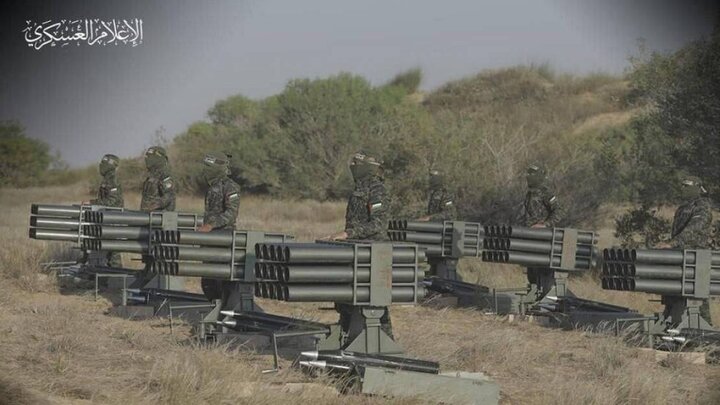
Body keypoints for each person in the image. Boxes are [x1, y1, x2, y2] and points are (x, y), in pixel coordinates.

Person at [329, 151, 393, 336]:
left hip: (373, 253)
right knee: (348, 299)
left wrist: (348, 233)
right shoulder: (359, 188)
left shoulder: (377, 189)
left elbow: (378, 224)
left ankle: (383, 340)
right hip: (356, 249)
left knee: (374, 302)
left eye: (356, 163)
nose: (352, 166)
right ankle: (347, 335)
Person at [196, 152, 242, 300]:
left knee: (223, 280)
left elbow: (231, 213)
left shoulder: (231, 187)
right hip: (210, 240)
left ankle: (225, 309)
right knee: (208, 281)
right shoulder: (212, 187)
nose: (206, 170)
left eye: (209, 167)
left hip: (223, 240)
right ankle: (214, 306)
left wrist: (211, 225)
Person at [668, 176, 713, 325]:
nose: (683, 189)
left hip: (696, 259)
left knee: (698, 298)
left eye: (687, 186)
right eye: (682, 185)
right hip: (680, 256)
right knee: (675, 295)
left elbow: (694, 229)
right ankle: (673, 323)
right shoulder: (683, 208)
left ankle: (703, 330)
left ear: (697, 187)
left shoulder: (702, 206)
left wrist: (673, 243)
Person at [522, 164, 563, 298]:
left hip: (543, 239)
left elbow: (559, 211)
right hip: (530, 237)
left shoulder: (546, 193)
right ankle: (535, 298)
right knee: (532, 273)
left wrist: (545, 225)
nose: (529, 176)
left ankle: (547, 298)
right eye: (528, 173)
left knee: (544, 272)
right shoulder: (530, 193)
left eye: (532, 173)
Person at [422, 169, 459, 279]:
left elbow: (450, 214)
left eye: (433, 177)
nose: (431, 179)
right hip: (434, 239)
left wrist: (430, 218)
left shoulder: (445, 193)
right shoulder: (433, 194)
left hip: (445, 239)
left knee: (443, 273)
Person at [89, 154, 124, 267]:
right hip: (107, 218)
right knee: (107, 250)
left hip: (113, 219)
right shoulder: (107, 179)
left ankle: (117, 273)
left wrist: (94, 203)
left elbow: (112, 200)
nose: (101, 165)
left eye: (104, 163)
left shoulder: (113, 179)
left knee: (114, 252)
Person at [140, 146, 176, 212]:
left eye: (150, 156)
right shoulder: (152, 175)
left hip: (159, 216)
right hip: (147, 215)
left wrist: (152, 206)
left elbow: (169, 196)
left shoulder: (164, 175)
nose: (147, 158)